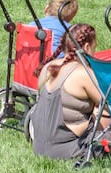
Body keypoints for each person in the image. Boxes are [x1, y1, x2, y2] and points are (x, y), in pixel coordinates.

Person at [31, 23, 102, 161]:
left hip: (39, 146)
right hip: (69, 148)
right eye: (94, 47)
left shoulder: (49, 66)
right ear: (86, 48)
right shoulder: (82, 74)